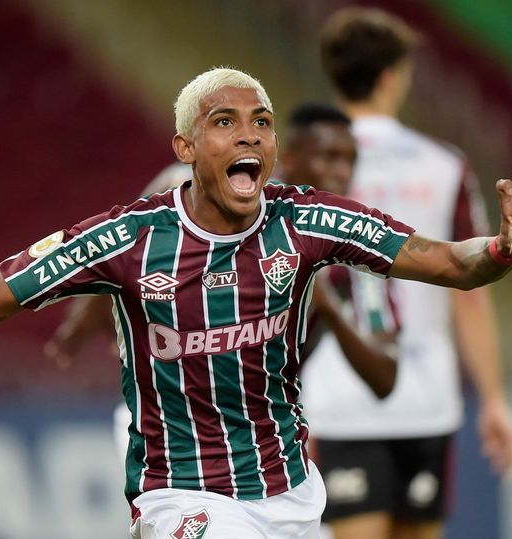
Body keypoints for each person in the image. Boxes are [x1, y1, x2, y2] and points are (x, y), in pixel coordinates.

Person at [0, 67, 512, 538]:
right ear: (186, 146)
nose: (249, 134)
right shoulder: (128, 237)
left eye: (261, 122)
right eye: (225, 121)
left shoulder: (307, 220)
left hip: (290, 492)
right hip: (180, 492)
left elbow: (450, 262)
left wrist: (505, 246)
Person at [45, 102, 397, 461]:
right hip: (174, 422)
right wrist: (86, 314)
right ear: (288, 159)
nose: (342, 174)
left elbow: (385, 379)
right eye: (329, 158)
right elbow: (138, 224)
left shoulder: (350, 246)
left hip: (269, 431)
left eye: (350, 161)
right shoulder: (231, 205)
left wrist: (329, 307)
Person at [301, 7, 512, 539]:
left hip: (337, 398)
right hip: (427, 398)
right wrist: (493, 398)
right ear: (390, 77)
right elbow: (469, 291)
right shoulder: (444, 164)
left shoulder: (308, 163)